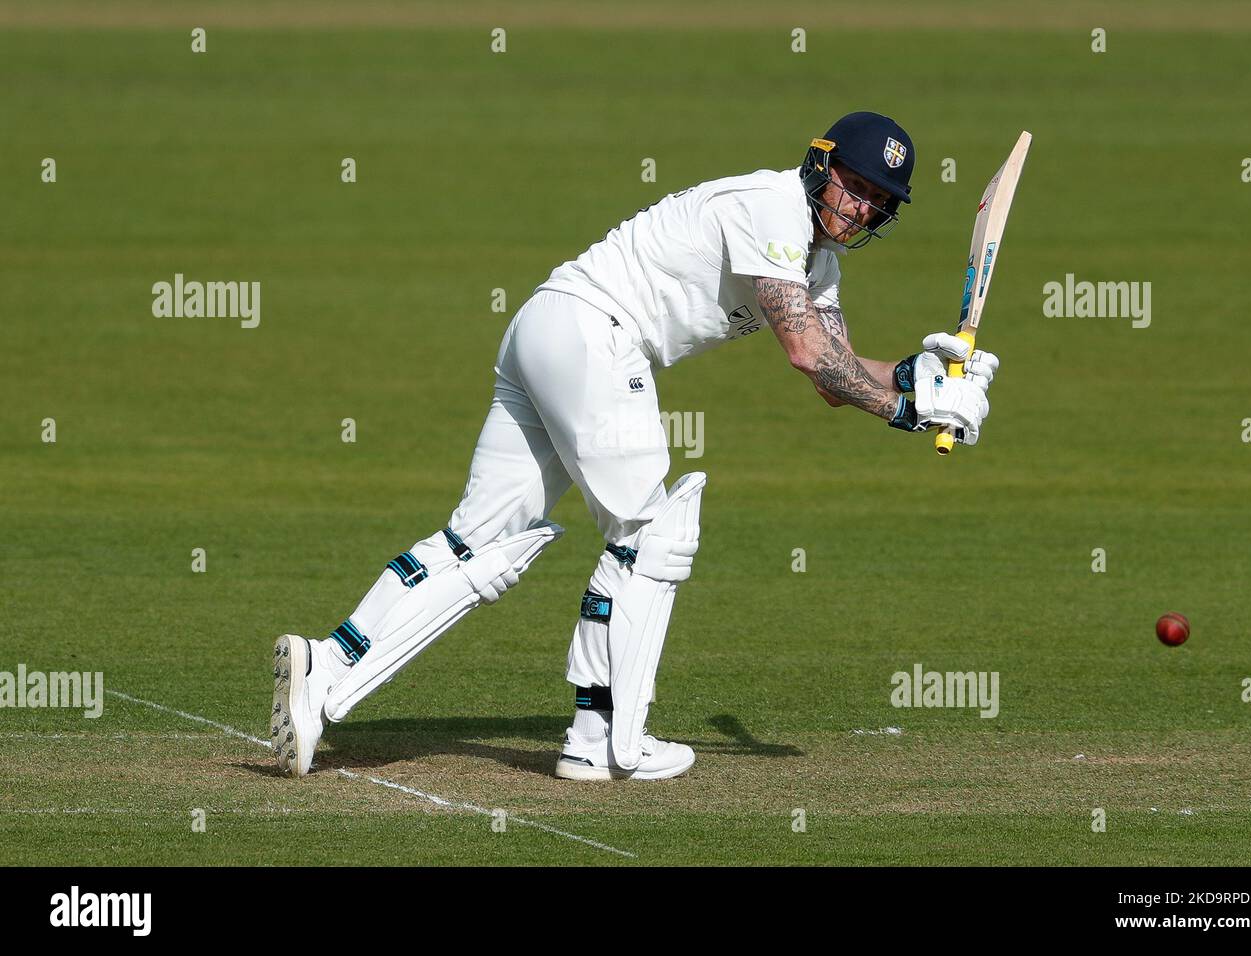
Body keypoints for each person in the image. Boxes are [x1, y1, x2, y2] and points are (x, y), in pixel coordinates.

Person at [271, 111, 999, 781]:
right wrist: (909, 413)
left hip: (547, 329)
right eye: (855, 185)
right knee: (651, 535)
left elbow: (839, 379)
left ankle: (326, 663)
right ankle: (604, 740)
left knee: (477, 539)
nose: (861, 207)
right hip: (596, 335)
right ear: (821, 165)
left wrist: (927, 381)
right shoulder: (772, 206)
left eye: (879, 201)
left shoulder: (819, 266)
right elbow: (808, 354)